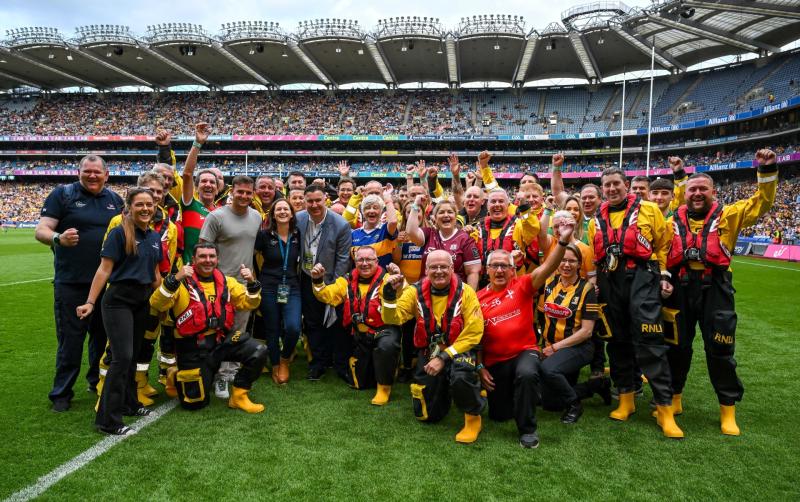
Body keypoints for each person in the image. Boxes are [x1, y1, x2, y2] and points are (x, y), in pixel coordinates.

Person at [664, 149, 777, 435]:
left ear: (714, 192)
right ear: (685, 192)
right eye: (692, 189)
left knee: (720, 349)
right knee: (677, 348)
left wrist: (766, 170)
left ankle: (727, 409)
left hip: (716, 288)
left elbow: (762, 204)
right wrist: (679, 174)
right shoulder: (672, 218)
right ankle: (674, 398)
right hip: (680, 287)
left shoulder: (729, 215)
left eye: (703, 189)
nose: (697, 194)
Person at [587, 166, 683, 439]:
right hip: (609, 280)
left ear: (626, 185)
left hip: (642, 276)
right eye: (606, 185)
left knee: (649, 340)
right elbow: (596, 256)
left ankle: (664, 407)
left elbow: (663, 244)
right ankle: (626, 399)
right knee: (616, 341)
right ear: (602, 188)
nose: (611, 189)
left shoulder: (651, 210)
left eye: (616, 183)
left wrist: (663, 274)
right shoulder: (595, 219)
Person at [476, 216, 574, 448]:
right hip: (495, 362)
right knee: (499, 415)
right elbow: (475, 339)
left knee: (527, 374)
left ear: (513, 270)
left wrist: (562, 242)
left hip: (524, 352)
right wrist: (480, 367)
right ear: (486, 269)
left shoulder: (522, 285)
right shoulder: (477, 298)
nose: (500, 270)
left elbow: (549, 266)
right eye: (495, 266)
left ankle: (528, 431)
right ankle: (527, 395)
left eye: (505, 266)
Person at [36, 154, 124, 412]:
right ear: (79, 172)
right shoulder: (62, 195)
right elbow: (41, 230)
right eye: (88, 171)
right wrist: (58, 238)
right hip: (72, 282)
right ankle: (61, 394)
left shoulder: (114, 200)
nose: (93, 175)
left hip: (106, 284)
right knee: (70, 340)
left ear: (106, 175)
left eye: (98, 172)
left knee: (101, 337)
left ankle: (96, 381)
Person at [76, 188, 162, 435]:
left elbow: (155, 276)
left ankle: (130, 403)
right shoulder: (118, 233)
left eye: (149, 204)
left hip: (143, 300)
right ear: (129, 207)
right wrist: (90, 302)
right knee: (121, 357)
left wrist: (173, 299)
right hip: (118, 301)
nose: (145, 209)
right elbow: (104, 270)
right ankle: (107, 420)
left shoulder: (155, 237)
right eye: (140, 205)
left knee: (133, 355)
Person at [149, 243, 267, 413]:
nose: (208, 260)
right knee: (194, 403)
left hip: (220, 341)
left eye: (212, 256)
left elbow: (249, 303)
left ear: (217, 259)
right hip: (192, 348)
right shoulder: (181, 283)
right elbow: (156, 303)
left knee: (259, 350)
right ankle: (174, 375)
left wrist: (251, 282)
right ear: (194, 259)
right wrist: (174, 279)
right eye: (202, 256)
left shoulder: (227, 281)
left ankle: (239, 396)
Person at [382, 250, 485, 444]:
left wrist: (444, 357)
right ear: (426, 270)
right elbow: (394, 318)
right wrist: (389, 297)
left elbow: (474, 331)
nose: (439, 271)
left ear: (452, 269)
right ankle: (445, 392)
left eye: (443, 266)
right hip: (430, 350)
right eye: (433, 267)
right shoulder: (413, 291)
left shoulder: (467, 292)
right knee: (428, 415)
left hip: (458, 348)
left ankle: (473, 418)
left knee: (461, 375)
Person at [310, 247, 401, 405]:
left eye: (369, 260)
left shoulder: (388, 279)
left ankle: (384, 387)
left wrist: (398, 282)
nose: (365, 263)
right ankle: (384, 368)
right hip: (361, 336)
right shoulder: (346, 280)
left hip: (384, 331)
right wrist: (318, 280)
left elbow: (402, 296)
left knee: (387, 346)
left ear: (377, 261)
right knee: (361, 383)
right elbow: (327, 295)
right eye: (360, 260)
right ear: (355, 262)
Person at [198, 175, 262, 399]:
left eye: (248, 192)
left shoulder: (256, 216)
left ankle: (230, 372)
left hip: (243, 285)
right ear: (231, 191)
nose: (244, 196)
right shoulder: (216, 217)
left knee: (239, 333)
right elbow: (203, 249)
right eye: (240, 192)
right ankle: (218, 376)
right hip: (219, 285)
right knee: (219, 331)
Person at [538, 244, 602, 425]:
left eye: (572, 261)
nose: (566, 264)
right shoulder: (549, 283)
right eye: (563, 260)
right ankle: (595, 386)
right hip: (551, 346)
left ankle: (575, 405)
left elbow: (587, 331)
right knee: (551, 403)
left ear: (579, 264)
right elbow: (542, 315)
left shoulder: (587, 289)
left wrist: (554, 348)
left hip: (578, 347)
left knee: (548, 369)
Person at [296, 184, 353, 381]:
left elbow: (343, 259)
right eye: (309, 201)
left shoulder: (341, 224)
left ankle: (340, 364)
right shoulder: (299, 219)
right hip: (306, 278)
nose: (314, 205)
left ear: (326, 199)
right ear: (304, 201)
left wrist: (333, 288)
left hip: (331, 281)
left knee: (336, 324)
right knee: (312, 323)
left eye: (317, 200)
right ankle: (318, 363)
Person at [254, 199, 302, 385]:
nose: (282, 212)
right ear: (273, 214)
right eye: (278, 209)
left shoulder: (298, 234)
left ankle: (284, 358)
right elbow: (251, 256)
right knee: (272, 329)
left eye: (286, 209)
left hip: (292, 287)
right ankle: (275, 364)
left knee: (293, 327)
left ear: (291, 214)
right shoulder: (264, 236)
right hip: (268, 287)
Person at [405, 198, 481, 290]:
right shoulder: (429, 234)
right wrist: (416, 204)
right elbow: (410, 231)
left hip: (454, 295)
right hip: (426, 293)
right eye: (441, 212)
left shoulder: (465, 239)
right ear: (435, 218)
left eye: (450, 212)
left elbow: (473, 272)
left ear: (455, 216)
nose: (446, 215)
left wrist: (469, 299)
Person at [179, 123, 218, 265]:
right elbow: (187, 174)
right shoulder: (190, 204)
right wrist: (197, 143)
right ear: (196, 188)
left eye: (212, 182)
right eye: (204, 182)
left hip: (213, 272)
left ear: (218, 189)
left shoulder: (221, 213)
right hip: (189, 271)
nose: (208, 185)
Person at [350, 187, 398, 267]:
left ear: (381, 211)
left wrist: (387, 200)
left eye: (375, 208)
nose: (371, 211)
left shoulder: (386, 229)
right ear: (362, 212)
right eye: (367, 208)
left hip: (383, 278)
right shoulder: (353, 234)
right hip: (359, 278)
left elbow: (393, 222)